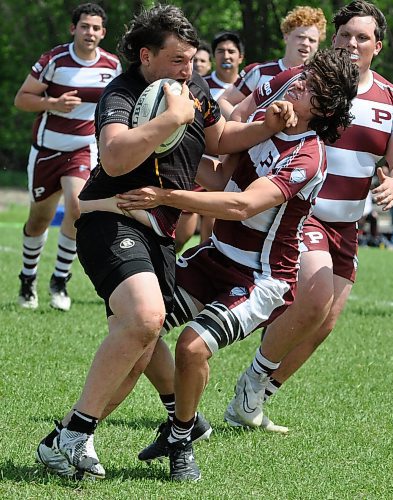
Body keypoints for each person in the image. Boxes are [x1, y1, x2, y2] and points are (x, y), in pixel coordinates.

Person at [34, 4, 296, 480]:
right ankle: (73, 435)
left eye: (193, 61)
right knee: (147, 319)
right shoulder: (122, 91)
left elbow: (220, 141)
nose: (189, 71)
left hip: (161, 232)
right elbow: (113, 159)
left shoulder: (195, 88)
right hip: (110, 219)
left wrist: (269, 126)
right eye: (178, 61)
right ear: (145, 55)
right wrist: (172, 117)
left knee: (140, 340)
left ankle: (85, 436)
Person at [118, 48, 358, 481]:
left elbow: (243, 204)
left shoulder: (308, 157)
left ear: (322, 108)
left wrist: (167, 197)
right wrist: (159, 149)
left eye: (311, 87)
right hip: (215, 258)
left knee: (192, 347)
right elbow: (217, 176)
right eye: (304, 78)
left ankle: (180, 440)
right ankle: (182, 426)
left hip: (261, 278)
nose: (298, 83)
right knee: (137, 323)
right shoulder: (269, 122)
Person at [222, 0, 393, 430]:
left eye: (362, 37)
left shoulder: (391, 100)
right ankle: (240, 356)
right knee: (315, 297)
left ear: (378, 46)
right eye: (345, 34)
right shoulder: (299, 80)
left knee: (323, 322)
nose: (352, 43)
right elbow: (237, 118)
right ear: (333, 38)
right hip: (300, 214)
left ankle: (252, 396)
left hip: (346, 225)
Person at [14, 3, 121, 311]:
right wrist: (52, 103)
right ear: (73, 29)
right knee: (38, 220)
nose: (90, 32)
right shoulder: (54, 60)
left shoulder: (112, 66)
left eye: (96, 28)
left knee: (77, 207)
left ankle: (60, 279)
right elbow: (22, 99)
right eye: (85, 26)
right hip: (47, 150)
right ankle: (27, 277)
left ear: (103, 33)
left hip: (83, 149)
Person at [175, 31, 245, 251]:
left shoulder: (249, 87)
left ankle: (204, 278)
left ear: (240, 57)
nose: (226, 56)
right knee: (182, 236)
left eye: (231, 51)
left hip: (228, 168)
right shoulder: (200, 85)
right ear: (214, 56)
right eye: (221, 51)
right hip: (197, 164)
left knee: (212, 235)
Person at [218, 5, 326, 119]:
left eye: (312, 40)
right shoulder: (259, 72)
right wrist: (244, 127)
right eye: (300, 37)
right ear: (286, 37)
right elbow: (223, 101)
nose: (306, 43)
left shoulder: (322, 80)